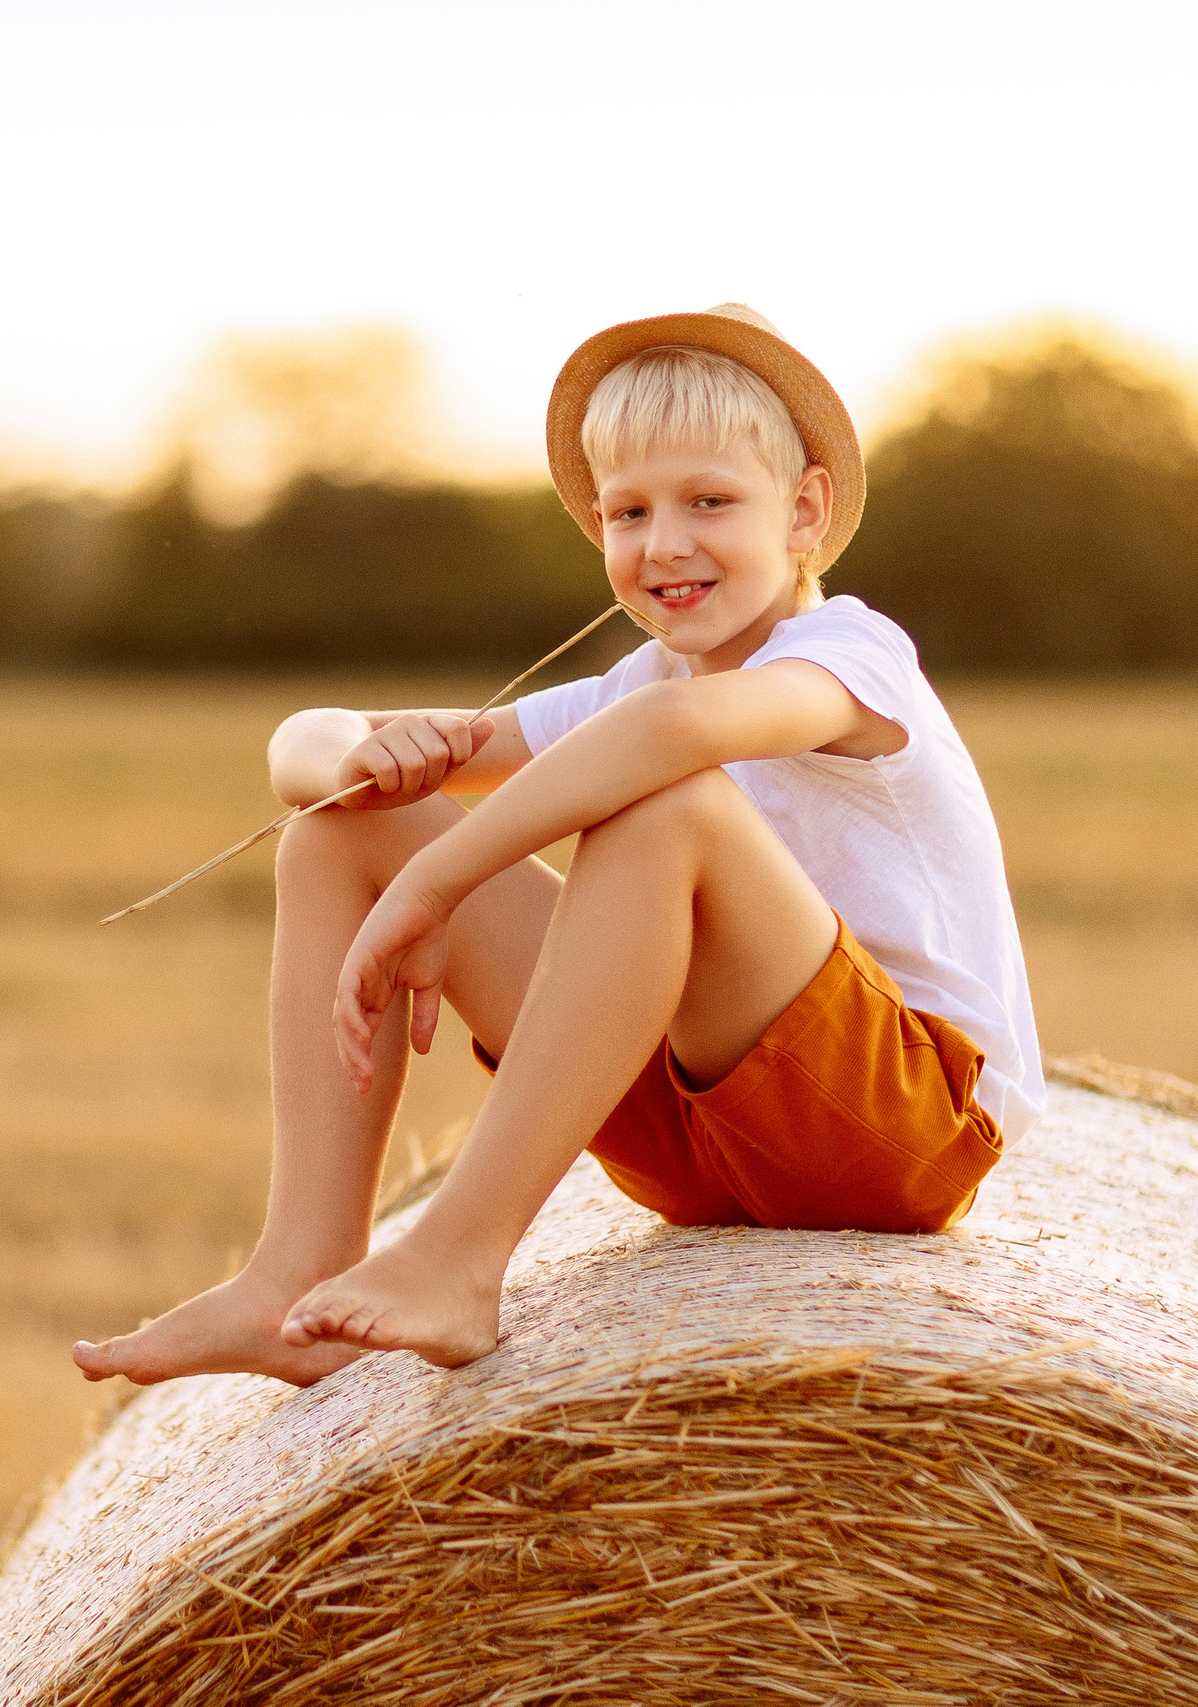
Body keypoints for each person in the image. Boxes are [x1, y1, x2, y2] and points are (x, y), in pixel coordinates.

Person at [75, 303, 1040, 1386]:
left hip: (895, 1129)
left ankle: (459, 1254)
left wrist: (440, 883)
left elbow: (674, 740)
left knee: (665, 804)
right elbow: (306, 752)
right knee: (350, 835)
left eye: (709, 500)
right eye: (626, 511)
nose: (663, 542)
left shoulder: (850, 656)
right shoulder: (642, 685)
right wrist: (367, 755)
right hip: (701, 1137)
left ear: (805, 510)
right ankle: (293, 1273)